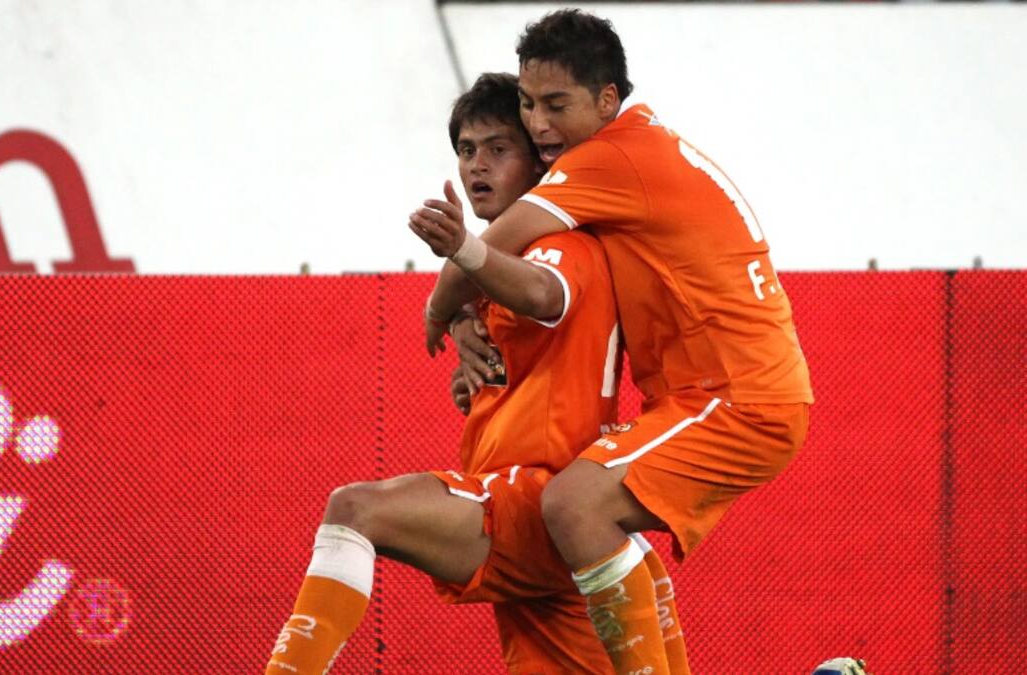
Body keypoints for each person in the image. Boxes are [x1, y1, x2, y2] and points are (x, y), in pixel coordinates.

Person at [413, 9, 814, 674]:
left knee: (574, 504)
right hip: (714, 397)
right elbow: (513, 276)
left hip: (737, 398)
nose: (539, 124)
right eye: (527, 103)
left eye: (555, 105)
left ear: (607, 100)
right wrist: (468, 322)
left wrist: (439, 312)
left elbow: (488, 250)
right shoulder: (628, 159)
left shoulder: (607, 157)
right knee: (596, 520)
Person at [266, 72, 669, 675]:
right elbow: (517, 328)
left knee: (354, 510)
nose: (477, 165)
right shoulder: (498, 275)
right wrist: (468, 348)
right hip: (568, 534)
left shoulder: (564, 245)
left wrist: (462, 251)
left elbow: (541, 293)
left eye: (499, 149)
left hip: (543, 500)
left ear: (539, 164)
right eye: (465, 150)